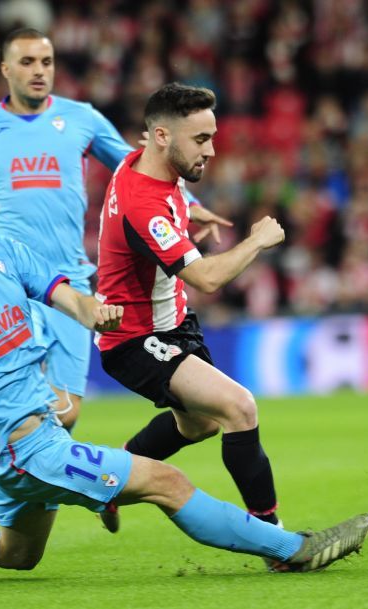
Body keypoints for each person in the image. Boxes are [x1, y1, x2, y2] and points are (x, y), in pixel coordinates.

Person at [0, 152, 368, 584]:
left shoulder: (6, 255)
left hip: (30, 439)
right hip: (24, 450)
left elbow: (65, 296)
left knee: (17, 554)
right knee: (167, 481)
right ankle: (293, 549)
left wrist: (95, 311)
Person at [0, 28, 224, 432]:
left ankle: (33, 471)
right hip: (7, 276)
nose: (39, 71)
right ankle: (6, 440)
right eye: (27, 62)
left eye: (47, 61)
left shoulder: (82, 119)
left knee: (66, 414)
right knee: (29, 402)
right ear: (5, 69)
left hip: (68, 279)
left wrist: (190, 207)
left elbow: (141, 166)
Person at [96, 83, 292, 555]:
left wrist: (190, 211)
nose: (212, 149)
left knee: (197, 426)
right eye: (201, 139)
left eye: (212, 135)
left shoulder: (146, 160)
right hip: (133, 337)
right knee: (239, 408)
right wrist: (258, 240)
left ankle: (113, 475)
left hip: (173, 325)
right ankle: (275, 538)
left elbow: (168, 198)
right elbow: (204, 277)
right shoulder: (145, 203)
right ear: (162, 136)